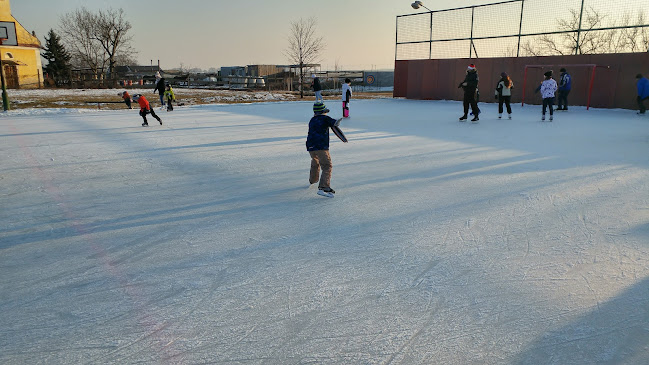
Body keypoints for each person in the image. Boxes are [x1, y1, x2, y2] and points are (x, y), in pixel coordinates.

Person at [306, 102, 341, 198]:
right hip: (321, 146)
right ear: (323, 112)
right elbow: (335, 123)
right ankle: (323, 187)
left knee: (315, 161)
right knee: (327, 165)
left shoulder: (312, 120)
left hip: (311, 146)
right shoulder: (325, 118)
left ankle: (313, 180)